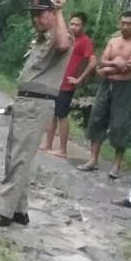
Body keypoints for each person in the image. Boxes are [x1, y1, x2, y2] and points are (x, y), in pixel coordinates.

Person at [0, 0, 72, 227]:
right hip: (25, 101)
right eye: (33, 15)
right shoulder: (40, 38)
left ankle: (3, 211)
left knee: (19, 158)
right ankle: (19, 210)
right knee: (14, 155)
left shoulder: (59, 36)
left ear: (52, 14)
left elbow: (63, 44)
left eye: (40, 14)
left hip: (38, 103)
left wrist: (61, 10)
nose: (36, 19)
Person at [77, 11, 131, 178]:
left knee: (120, 123)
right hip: (106, 84)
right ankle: (92, 159)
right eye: (123, 23)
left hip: (124, 86)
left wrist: (107, 67)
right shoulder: (113, 41)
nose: (125, 26)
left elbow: (129, 66)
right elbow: (101, 61)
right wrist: (114, 63)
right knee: (97, 117)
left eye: (129, 23)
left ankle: (116, 165)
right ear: (119, 23)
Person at [40, 12, 96, 158]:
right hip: (56, 81)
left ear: (83, 26)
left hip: (67, 84)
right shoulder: (67, 38)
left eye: (77, 24)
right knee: (52, 113)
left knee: (62, 115)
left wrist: (79, 79)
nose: (73, 27)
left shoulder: (85, 41)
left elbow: (93, 62)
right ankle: (48, 143)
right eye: (71, 24)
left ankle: (63, 150)